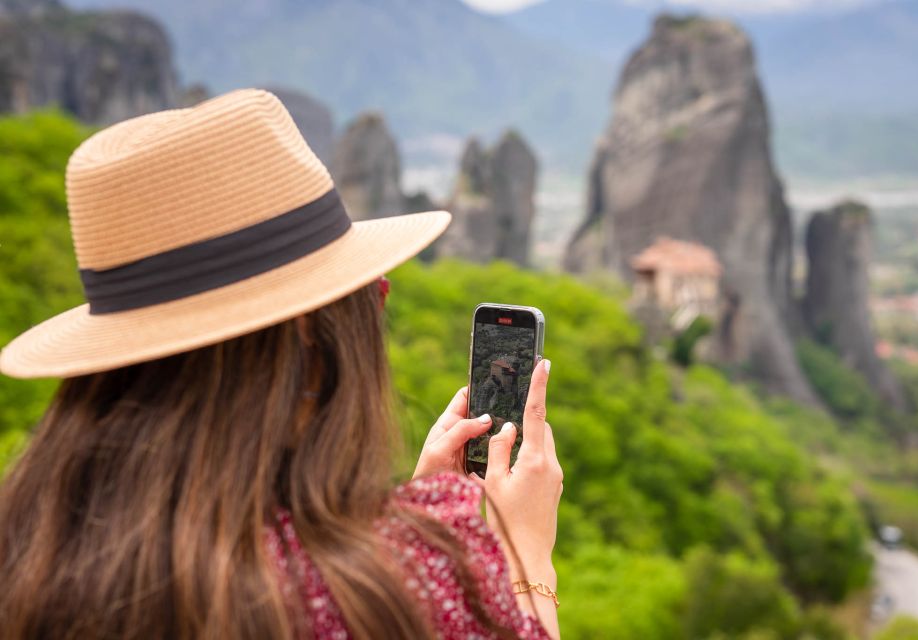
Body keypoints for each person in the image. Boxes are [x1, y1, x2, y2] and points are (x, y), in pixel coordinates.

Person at [0, 89, 563, 639]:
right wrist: (522, 556)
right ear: (311, 340)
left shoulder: (27, 549)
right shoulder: (390, 587)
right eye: (372, 296)